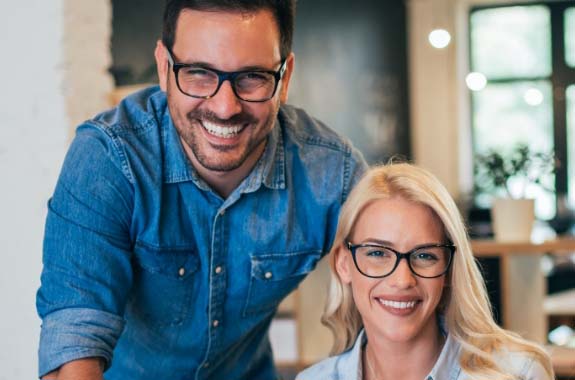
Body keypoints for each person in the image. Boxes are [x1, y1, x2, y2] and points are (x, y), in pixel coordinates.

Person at [36, 1, 367, 379]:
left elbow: (403, 284)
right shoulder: (110, 159)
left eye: (253, 77)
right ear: (164, 67)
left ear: (285, 76)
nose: (225, 107)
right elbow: (74, 339)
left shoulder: (329, 171)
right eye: (198, 73)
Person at [297, 163, 554, 380]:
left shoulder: (518, 373)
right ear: (343, 263)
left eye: (424, 256)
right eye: (377, 253)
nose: (402, 280)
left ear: (449, 268)